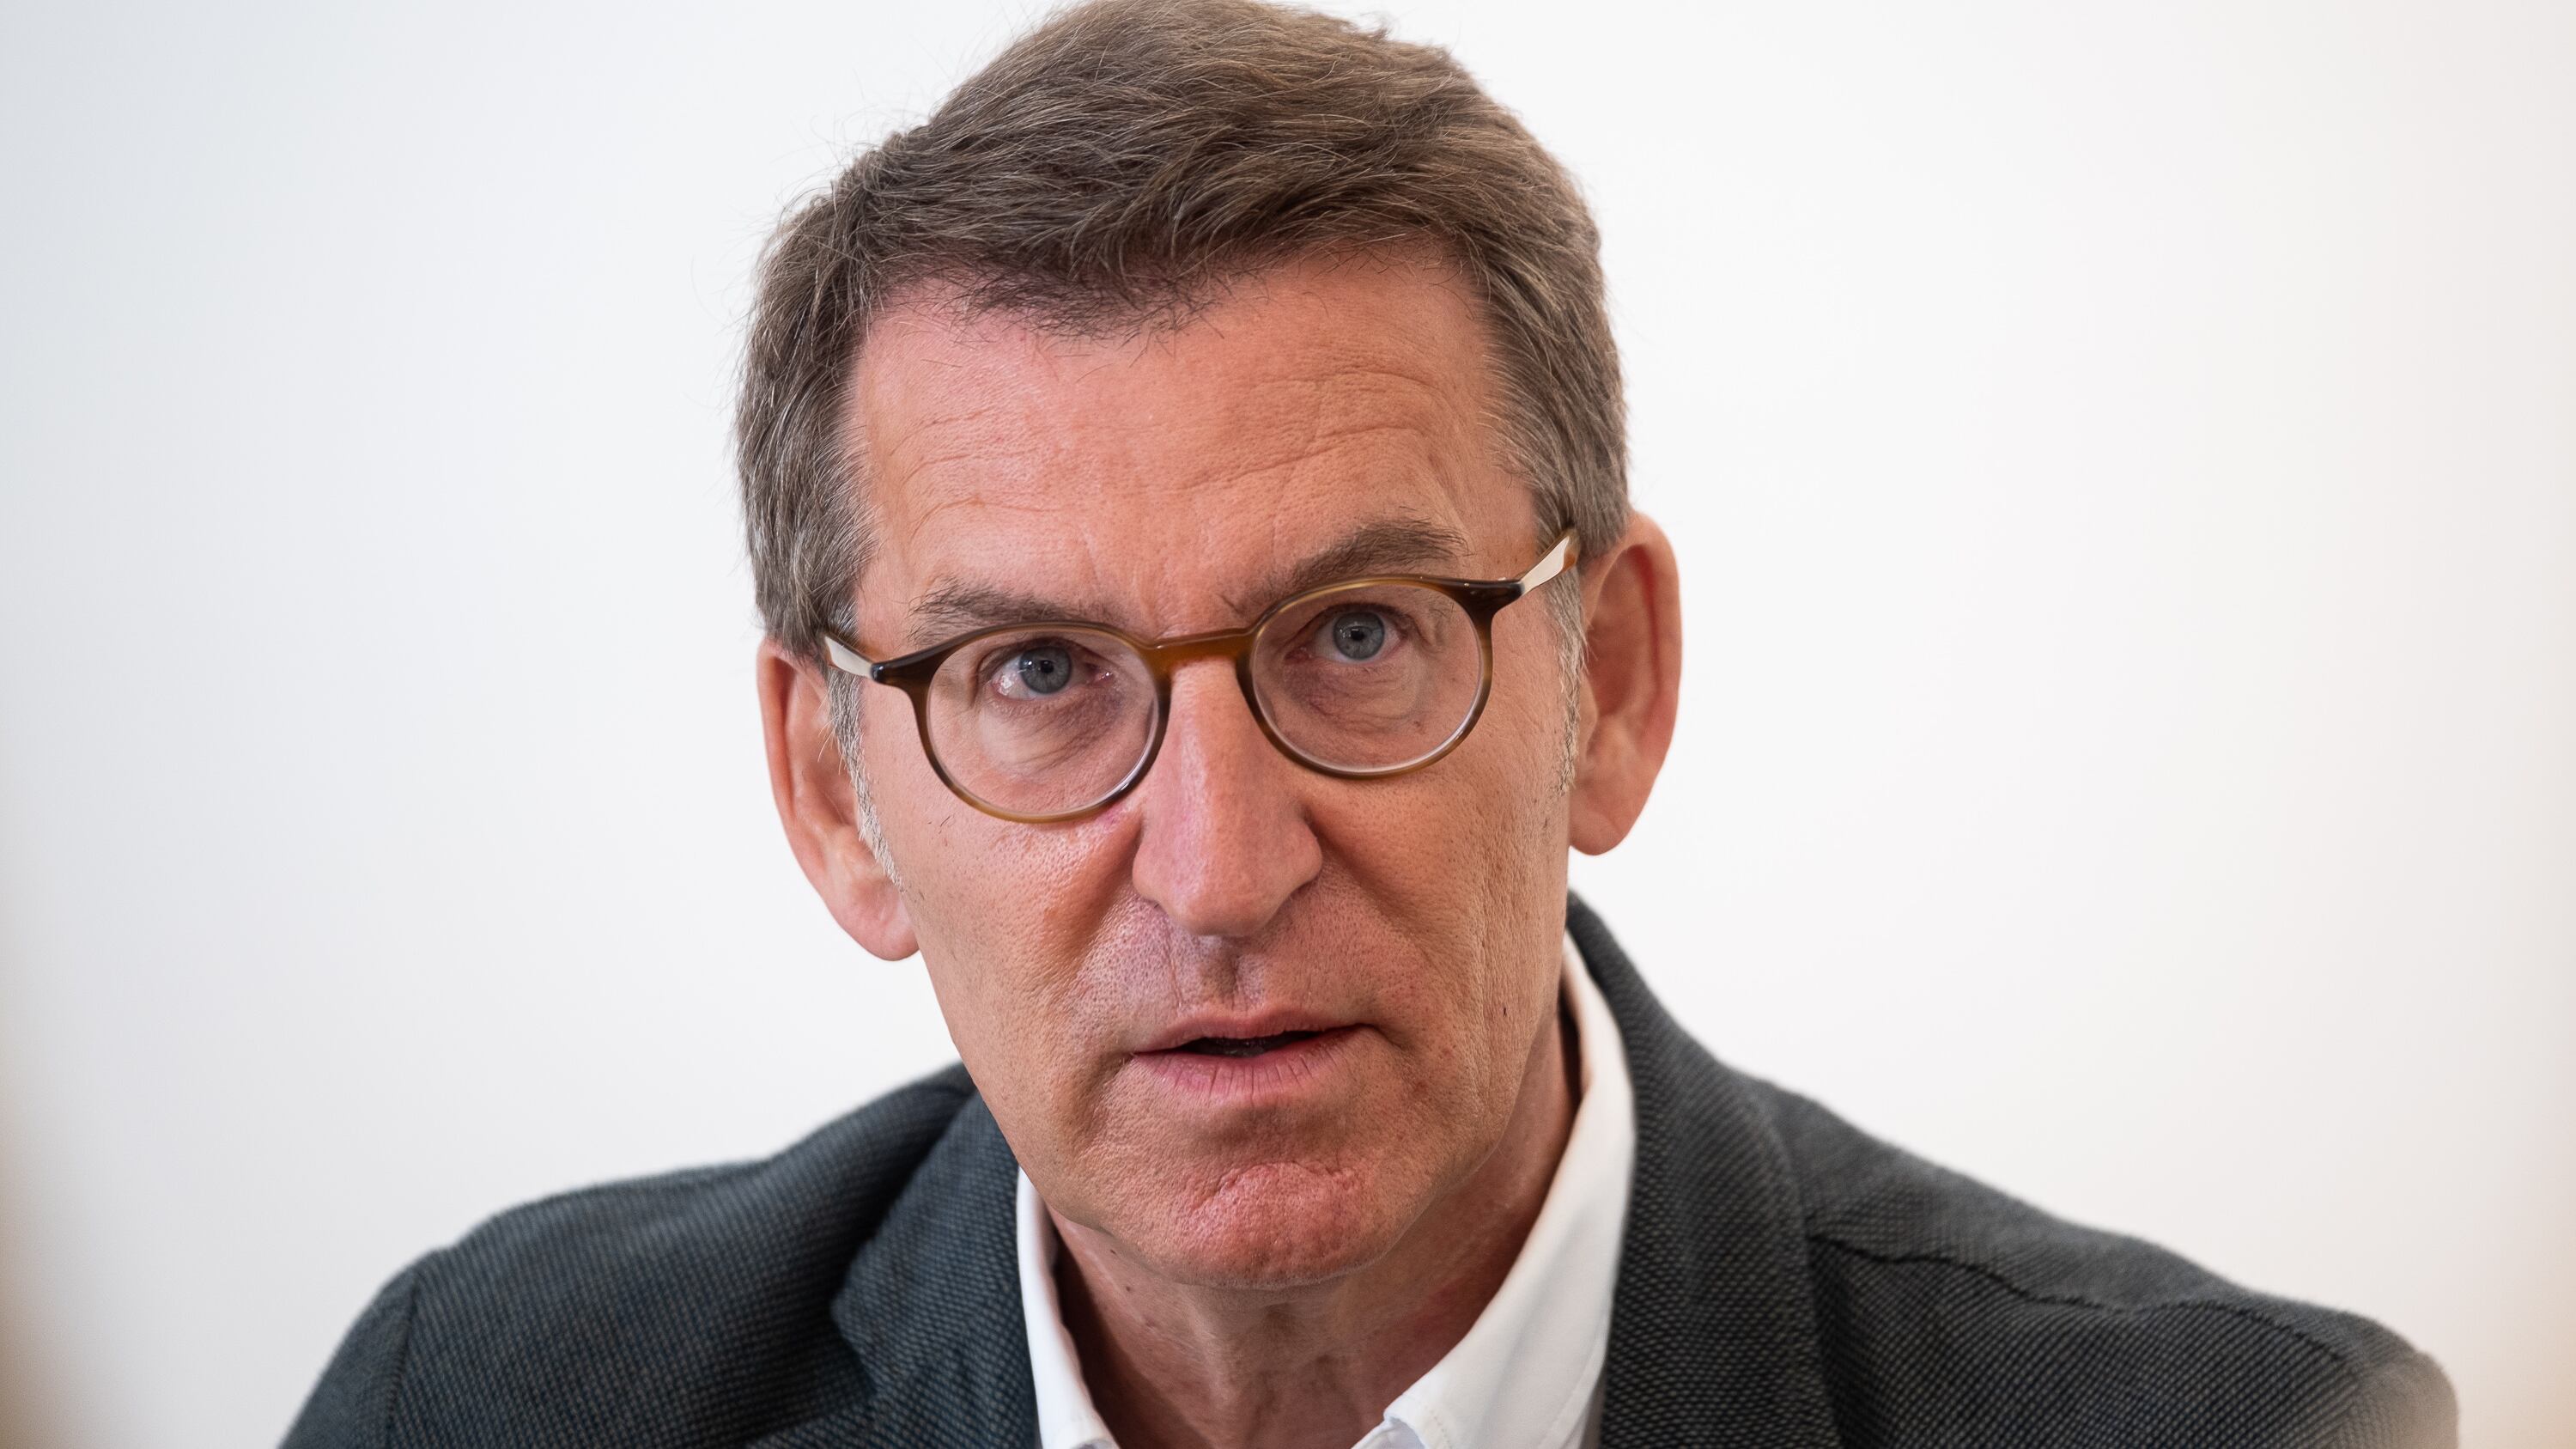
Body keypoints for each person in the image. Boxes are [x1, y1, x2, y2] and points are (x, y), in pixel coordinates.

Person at [286, 2, 2456, 1445]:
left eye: (1353, 635)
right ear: (835, 795)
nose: (1223, 869)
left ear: (1607, 683)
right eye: (1036, 673)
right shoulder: (485, 1407)